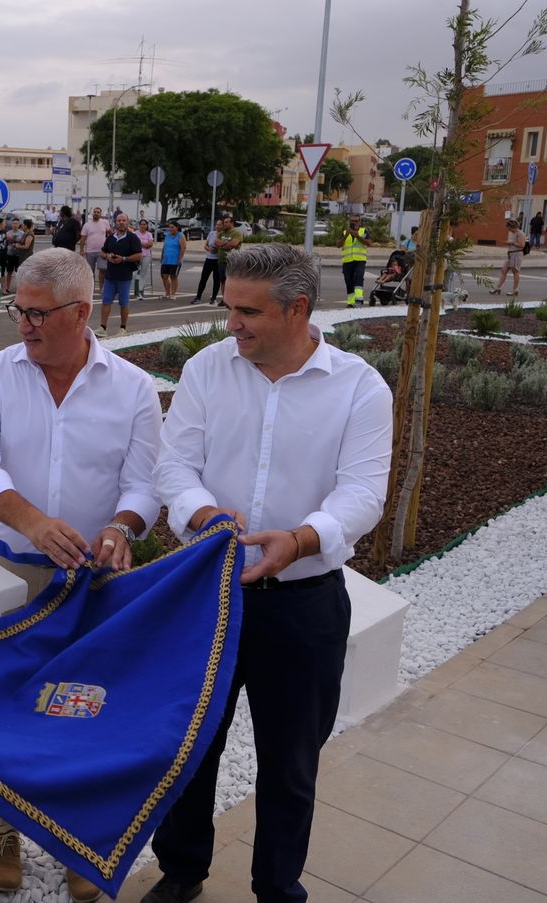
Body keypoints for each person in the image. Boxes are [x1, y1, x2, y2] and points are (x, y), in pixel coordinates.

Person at [143, 243, 392, 903]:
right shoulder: (206, 370)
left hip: (304, 604)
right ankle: (183, 867)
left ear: (298, 309)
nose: (233, 324)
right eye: (229, 307)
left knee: (291, 762)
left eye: (248, 311)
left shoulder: (359, 387)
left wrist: (304, 538)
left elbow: (364, 493)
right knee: (192, 745)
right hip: (209, 594)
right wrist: (202, 515)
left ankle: (278, 886)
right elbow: (174, 466)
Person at [0, 247, 161, 902]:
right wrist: (34, 521)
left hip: (91, 581)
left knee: (83, 709)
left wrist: (120, 528)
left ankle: (79, 839)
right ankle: (2, 835)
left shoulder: (131, 388)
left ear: (82, 313)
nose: (24, 325)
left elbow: (143, 485)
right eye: (20, 311)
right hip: (7, 567)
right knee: (0, 702)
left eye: (39, 314)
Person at [98, 212, 143, 335]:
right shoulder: (111, 237)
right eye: (119, 220)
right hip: (110, 276)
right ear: (115, 222)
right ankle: (103, 327)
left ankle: (123, 328)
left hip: (124, 276)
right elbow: (102, 252)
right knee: (106, 301)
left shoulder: (132, 238)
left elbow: (139, 255)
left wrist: (123, 258)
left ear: (127, 222)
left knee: (124, 303)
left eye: (123, 220)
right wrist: (107, 256)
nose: (121, 222)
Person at [339, 216, 373, 307]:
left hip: (360, 260)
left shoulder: (364, 231)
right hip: (347, 260)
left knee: (358, 277)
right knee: (348, 280)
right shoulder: (345, 232)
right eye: (352, 221)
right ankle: (351, 301)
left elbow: (369, 243)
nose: (354, 223)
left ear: (359, 221)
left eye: (356, 221)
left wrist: (357, 236)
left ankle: (359, 299)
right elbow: (338, 244)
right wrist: (346, 235)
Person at [490, 218, 527, 296]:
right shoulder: (514, 233)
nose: (508, 229)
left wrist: (512, 242)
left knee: (515, 272)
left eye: (509, 227)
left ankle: (515, 290)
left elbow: (522, 245)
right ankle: (498, 288)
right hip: (511, 254)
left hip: (516, 254)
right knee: (504, 270)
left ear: (512, 226)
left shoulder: (520, 233)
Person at [192, 219, 224, 305]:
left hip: (218, 260)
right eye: (216, 225)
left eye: (219, 225)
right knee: (203, 278)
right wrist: (209, 249)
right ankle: (198, 297)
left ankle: (213, 298)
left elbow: (223, 247)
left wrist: (216, 250)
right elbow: (206, 245)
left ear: (223, 226)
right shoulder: (211, 233)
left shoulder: (224, 235)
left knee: (216, 280)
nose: (217, 226)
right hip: (209, 259)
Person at [78, 207, 109, 293]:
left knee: (102, 270)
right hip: (90, 251)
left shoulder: (105, 223)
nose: (96, 213)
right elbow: (83, 238)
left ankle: (101, 288)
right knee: (90, 271)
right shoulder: (87, 225)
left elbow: (111, 233)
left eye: (98, 212)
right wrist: (81, 250)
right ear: (92, 214)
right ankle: (91, 289)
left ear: (100, 214)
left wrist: (110, 246)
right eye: (95, 212)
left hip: (102, 251)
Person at [160, 221, 186, 299]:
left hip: (175, 260)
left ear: (177, 227)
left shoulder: (180, 235)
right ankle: (167, 293)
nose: (170, 229)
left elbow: (183, 248)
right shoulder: (167, 235)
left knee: (173, 276)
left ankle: (173, 294)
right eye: (169, 227)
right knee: (164, 276)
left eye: (172, 227)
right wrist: (162, 256)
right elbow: (164, 246)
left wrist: (180, 258)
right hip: (166, 259)